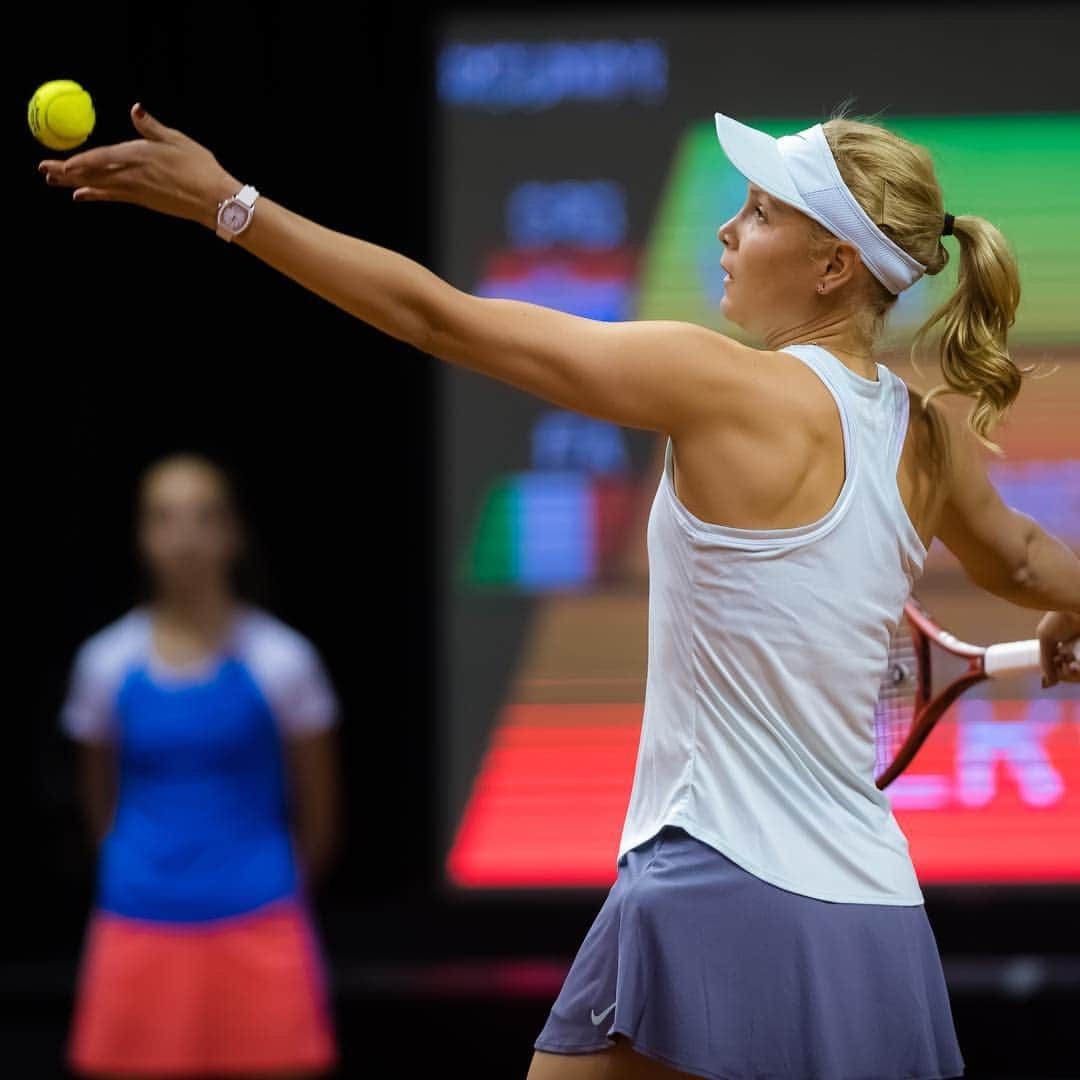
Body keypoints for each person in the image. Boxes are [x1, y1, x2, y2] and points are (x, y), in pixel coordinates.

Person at [39, 102, 1080, 1080]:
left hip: (717, 882)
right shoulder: (927, 435)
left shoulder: (720, 381)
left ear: (834, 265)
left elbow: (437, 319)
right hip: (877, 917)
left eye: (760, 212)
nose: (725, 229)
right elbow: (1029, 562)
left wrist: (232, 206)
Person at [60, 452, 341, 1080]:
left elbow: (319, 813)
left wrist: (261, 879)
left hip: (260, 920)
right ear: (142, 536)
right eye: (164, 519)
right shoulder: (103, 664)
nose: (184, 538)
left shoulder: (284, 661)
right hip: (138, 921)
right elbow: (97, 797)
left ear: (233, 533)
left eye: (203, 517)